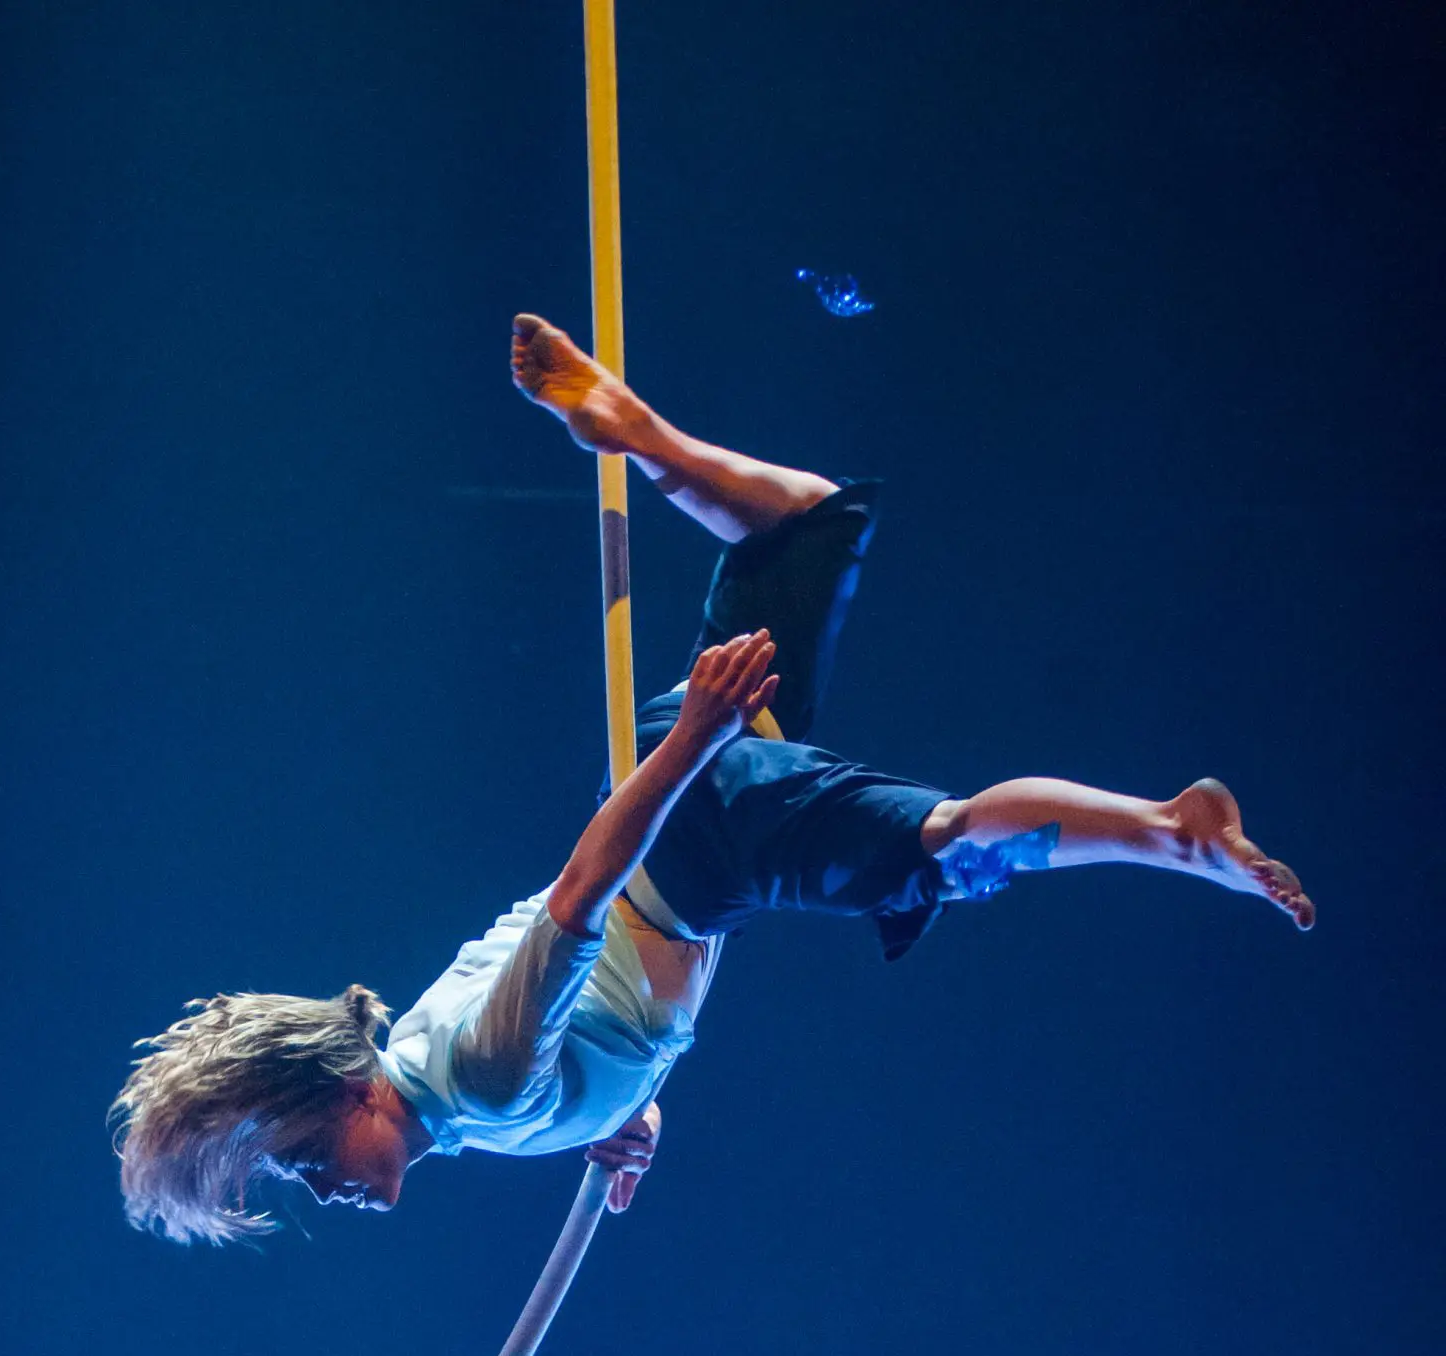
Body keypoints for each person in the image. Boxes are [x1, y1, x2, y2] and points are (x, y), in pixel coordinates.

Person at [112, 315, 1312, 1241]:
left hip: (689, 841)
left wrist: (694, 743)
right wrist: (620, 1116)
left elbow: (580, 901)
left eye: (302, 1156)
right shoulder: (459, 1093)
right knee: (807, 524)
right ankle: (646, 439)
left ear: (342, 1089)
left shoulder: (471, 1075)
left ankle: (1174, 830)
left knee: (942, 852)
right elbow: (580, 1003)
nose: (319, 1187)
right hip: (662, 803)